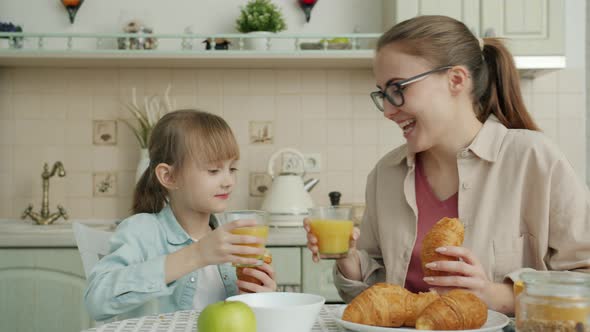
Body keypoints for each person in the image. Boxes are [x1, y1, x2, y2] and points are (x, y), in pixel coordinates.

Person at [305, 15, 590, 315]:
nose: (388, 110)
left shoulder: (534, 159)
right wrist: (349, 260)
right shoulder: (385, 174)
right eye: (382, 94)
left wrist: (494, 295)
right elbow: (380, 293)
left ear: (456, 79)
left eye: (398, 88)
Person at [85, 110, 277, 321]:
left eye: (232, 169)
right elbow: (97, 301)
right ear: (169, 176)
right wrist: (197, 254)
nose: (228, 181)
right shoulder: (141, 231)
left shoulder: (232, 241)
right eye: (213, 170)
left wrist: (261, 300)